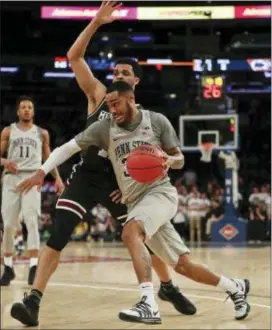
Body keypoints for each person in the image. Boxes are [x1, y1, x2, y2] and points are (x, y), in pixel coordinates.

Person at [9, 2, 195, 326]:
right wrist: (96, 21)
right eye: (116, 72)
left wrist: (135, 186)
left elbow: (154, 160)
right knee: (59, 232)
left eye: (125, 73)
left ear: (135, 81)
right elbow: (74, 57)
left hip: (118, 185)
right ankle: (33, 302)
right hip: (85, 176)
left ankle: (166, 287)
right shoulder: (98, 94)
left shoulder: (146, 118)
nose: (119, 76)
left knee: (145, 238)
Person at [13, 81, 250, 325]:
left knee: (130, 232)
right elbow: (67, 148)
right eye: (109, 104)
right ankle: (235, 287)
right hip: (135, 202)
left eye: (116, 103)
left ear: (131, 98)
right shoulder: (104, 128)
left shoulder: (156, 121)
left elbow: (179, 158)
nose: (112, 109)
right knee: (183, 266)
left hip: (159, 194)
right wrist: (43, 171)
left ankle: (148, 303)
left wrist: (168, 159)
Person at [0, 96, 64, 286]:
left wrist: (58, 177)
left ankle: (33, 267)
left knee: (31, 222)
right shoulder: (8, 131)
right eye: (23, 107)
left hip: (33, 178)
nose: (27, 110)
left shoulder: (42, 133)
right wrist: (4, 161)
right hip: (11, 179)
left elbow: (49, 157)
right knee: (9, 225)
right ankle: (8, 268)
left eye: (29, 107)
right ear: (18, 112)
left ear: (33, 112)